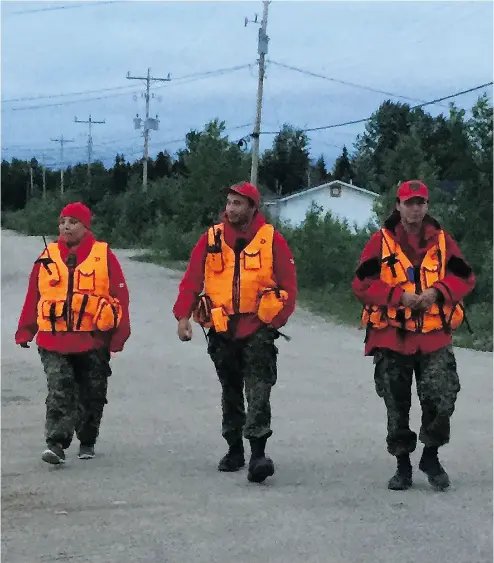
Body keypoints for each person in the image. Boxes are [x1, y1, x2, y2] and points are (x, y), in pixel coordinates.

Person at [352, 180, 475, 491]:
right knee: (397, 403)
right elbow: (362, 284)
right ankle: (402, 464)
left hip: (434, 336)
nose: (415, 208)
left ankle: (430, 454)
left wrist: (437, 291)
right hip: (391, 336)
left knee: (443, 397)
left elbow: (464, 276)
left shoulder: (443, 241)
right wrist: (398, 297)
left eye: (420, 203)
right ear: (398, 205)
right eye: (409, 202)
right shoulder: (380, 241)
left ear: (427, 206)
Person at [173, 182, 297, 483]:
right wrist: (183, 316)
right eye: (229, 202)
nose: (231, 209)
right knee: (230, 390)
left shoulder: (271, 240)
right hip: (221, 327)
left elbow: (289, 286)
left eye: (238, 203)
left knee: (258, 389)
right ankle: (233, 449)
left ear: (253, 208)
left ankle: (257, 454)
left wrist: (274, 323)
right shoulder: (211, 238)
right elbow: (192, 278)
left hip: (258, 327)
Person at [15, 202, 131, 465]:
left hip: (92, 340)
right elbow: (34, 294)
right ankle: (56, 443)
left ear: (86, 226)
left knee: (93, 393)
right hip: (52, 340)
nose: (66, 227)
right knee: (60, 389)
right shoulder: (48, 255)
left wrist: (119, 335)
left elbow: (120, 296)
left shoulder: (104, 255)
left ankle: (87, 438)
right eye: (62, 222)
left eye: (73, 222)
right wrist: (26, 330)